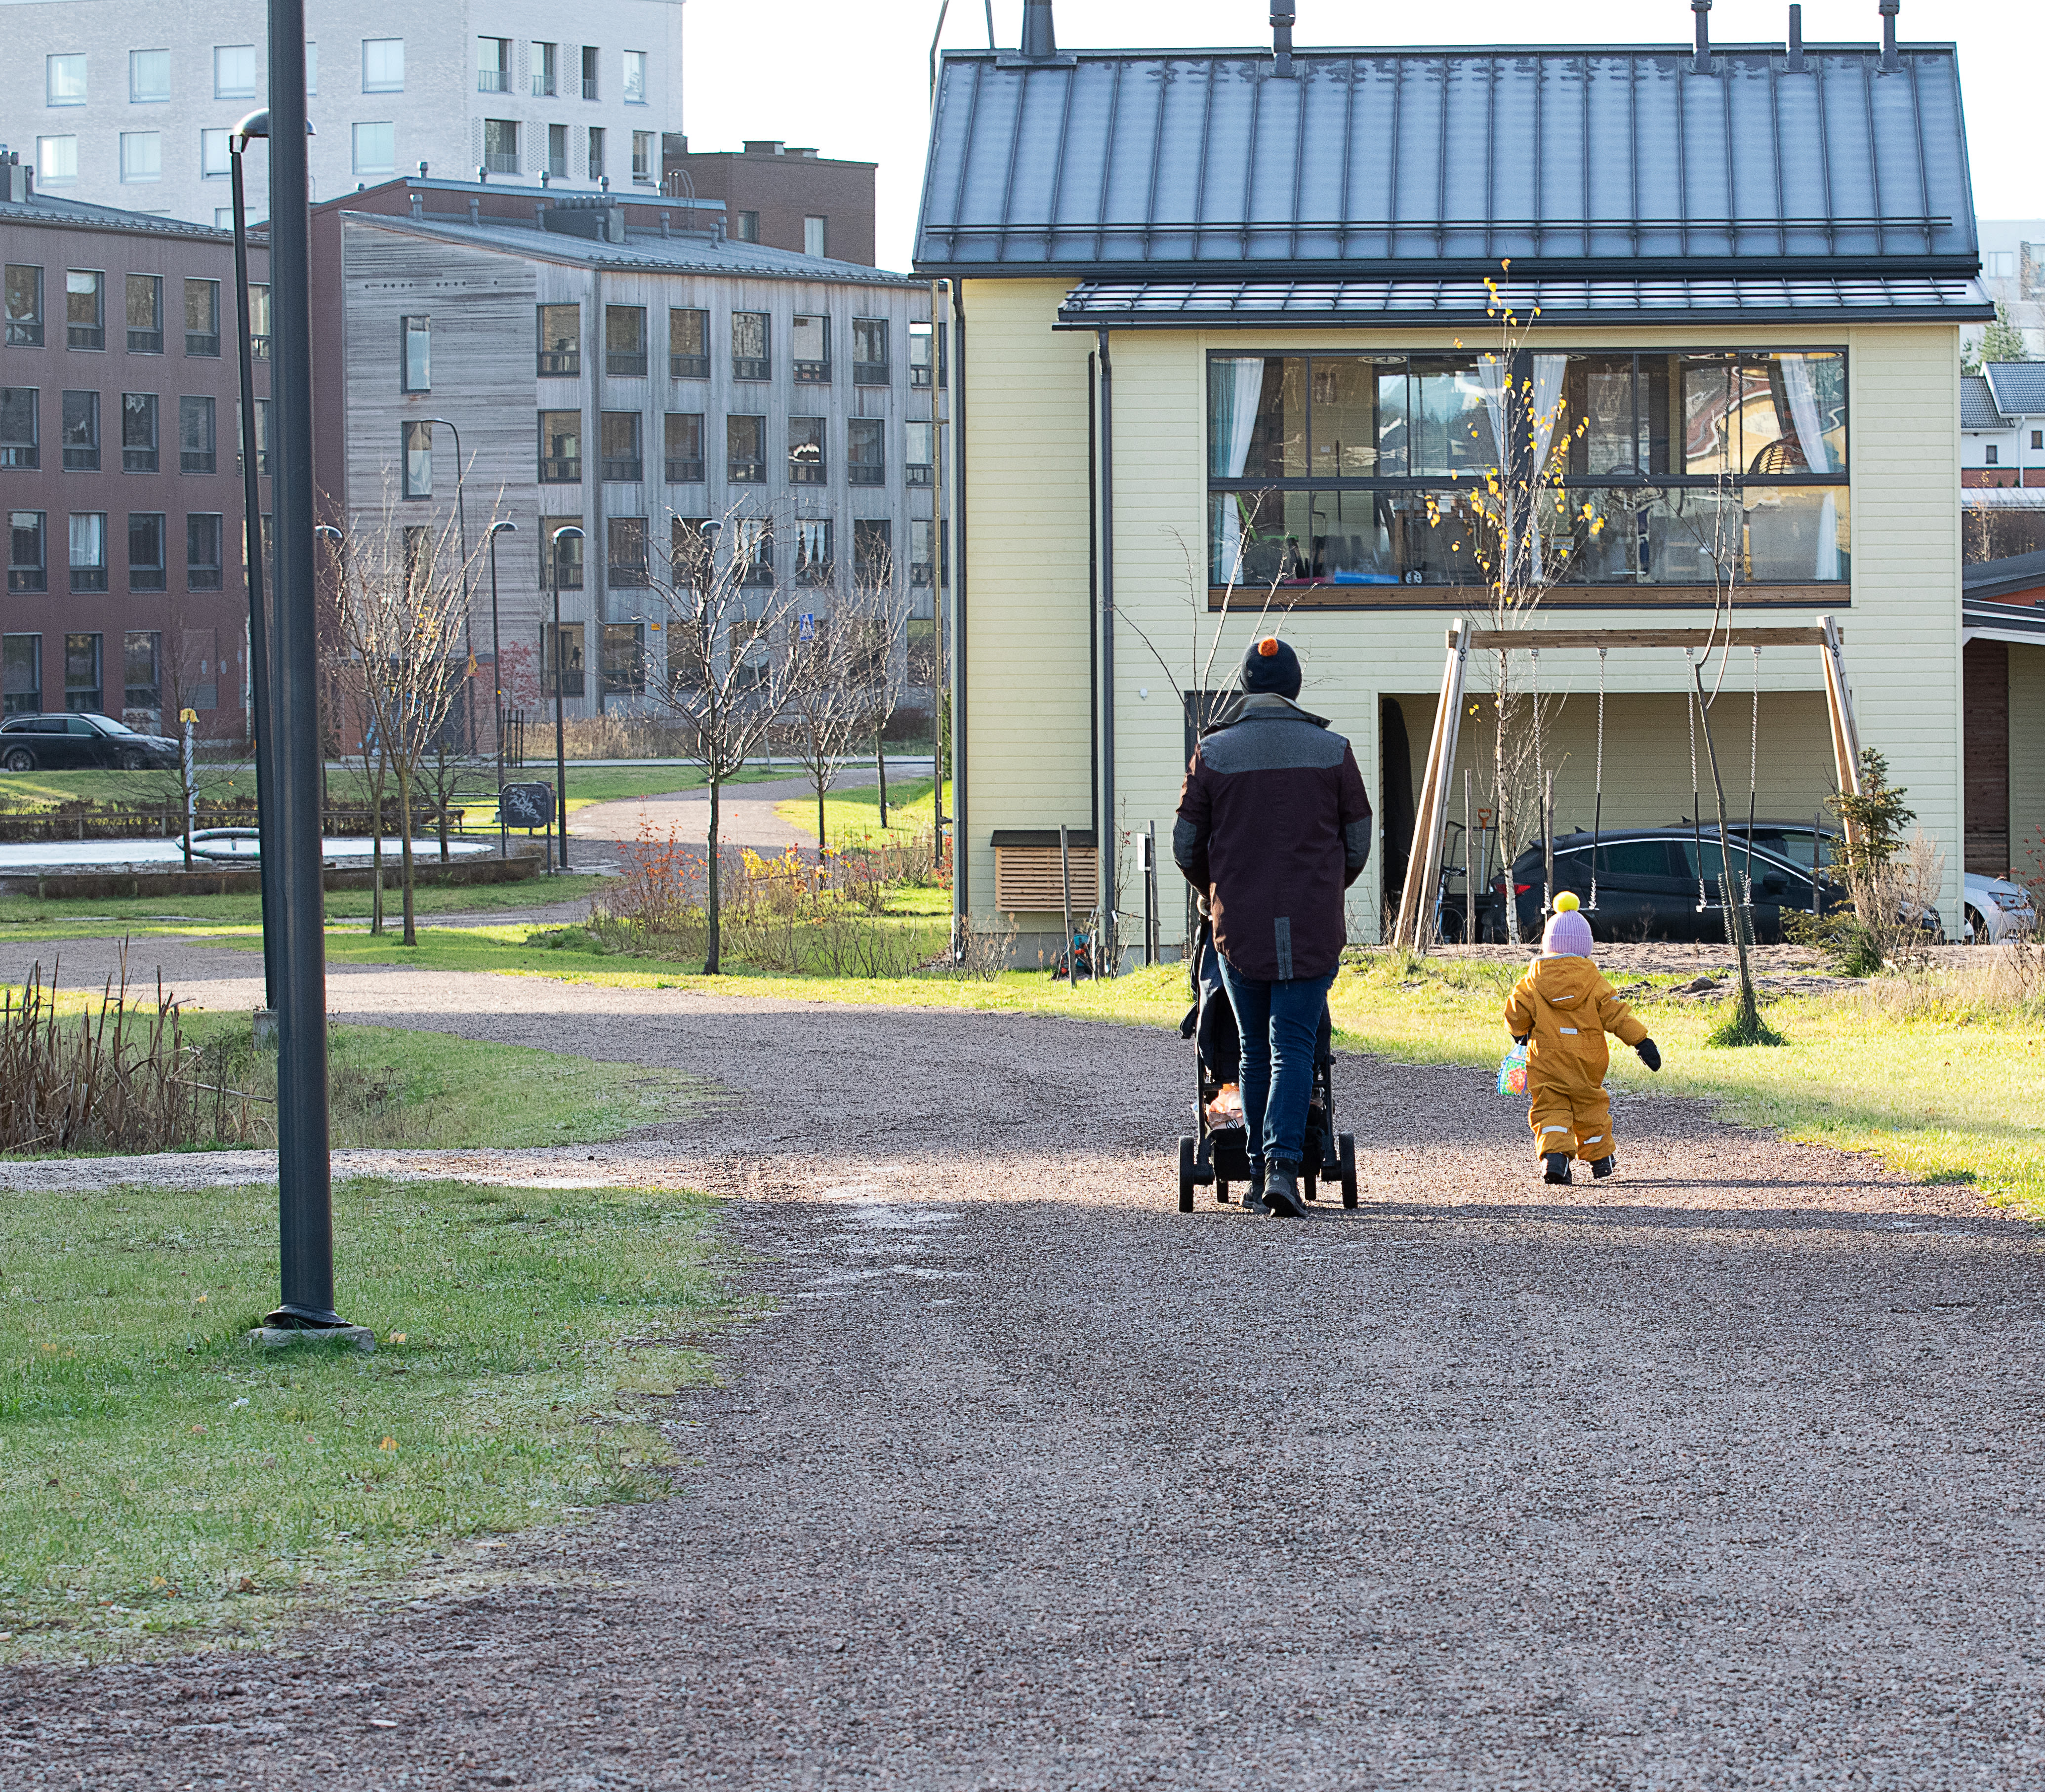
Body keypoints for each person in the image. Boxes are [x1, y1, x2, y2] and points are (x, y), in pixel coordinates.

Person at [1173, 636, 1371, 1217]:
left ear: (1247, 686)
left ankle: (1261, 1175)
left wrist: (1220, 892)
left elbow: (1187, 845)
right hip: (1313, 925)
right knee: (1295, 1045)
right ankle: (1284, 1165)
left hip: (1239, 928)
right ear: (1295, 686)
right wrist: (1326, 887)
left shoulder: (1213, 754)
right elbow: (1357, 841)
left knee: (1254, 1052)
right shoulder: (1334, 751)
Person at [1503, 892, 1662, 1184]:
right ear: (1585, 946)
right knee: (1590, 1106)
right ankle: (1601, 1159)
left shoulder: (1533, 980)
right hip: (1587, 1061)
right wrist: (1641, 1042)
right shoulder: (1594, 981)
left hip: (1547, 1061)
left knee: (1551, 1109)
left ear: (1548, 944)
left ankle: (1555, 1159)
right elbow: (1617, 1015)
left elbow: (1515, 1013)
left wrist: (1519, 1034)